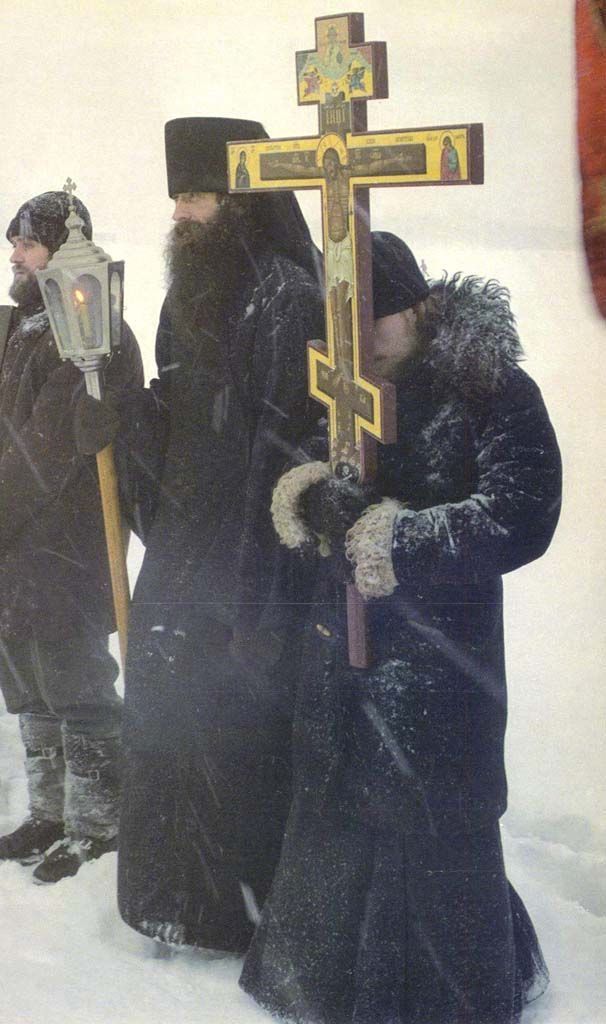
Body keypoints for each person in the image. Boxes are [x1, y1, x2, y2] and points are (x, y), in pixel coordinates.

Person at [240, 232, 561, 1023]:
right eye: (339, 327)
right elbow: (305, 463)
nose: (355, 345)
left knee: (430, 815)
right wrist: (313, 495)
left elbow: (523, 513)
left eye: (372, 322)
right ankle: (325, 982)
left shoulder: (489, 388)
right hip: (340, 654)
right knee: (340, 803)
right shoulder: (342, 382)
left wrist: (395, 536)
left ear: (418, 306)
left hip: (441, 657)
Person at [75, 117, 325, 953]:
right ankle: (175, 898)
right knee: (164, 705)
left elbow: (284, 440)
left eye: (196, 196)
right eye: (177, 197)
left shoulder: (287, 295)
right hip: (183, 552)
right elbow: (180, 423)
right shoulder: (189, 295)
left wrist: (251, 571)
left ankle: (240, 910)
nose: (180, 214)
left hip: (246, 557)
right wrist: (128, 415)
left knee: (231, 724)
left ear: (241, 200)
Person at [0, 191, 144, 884]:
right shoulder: (20, 326)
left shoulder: (90, 327)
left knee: (72, 675)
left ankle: (96, 822)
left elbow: (46, 451)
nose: (16, 257)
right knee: (26, 675)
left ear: (58, 251)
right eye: (15, 246)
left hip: (64, 537)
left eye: (26, 245)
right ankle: (50, 813)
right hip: (14, 542)